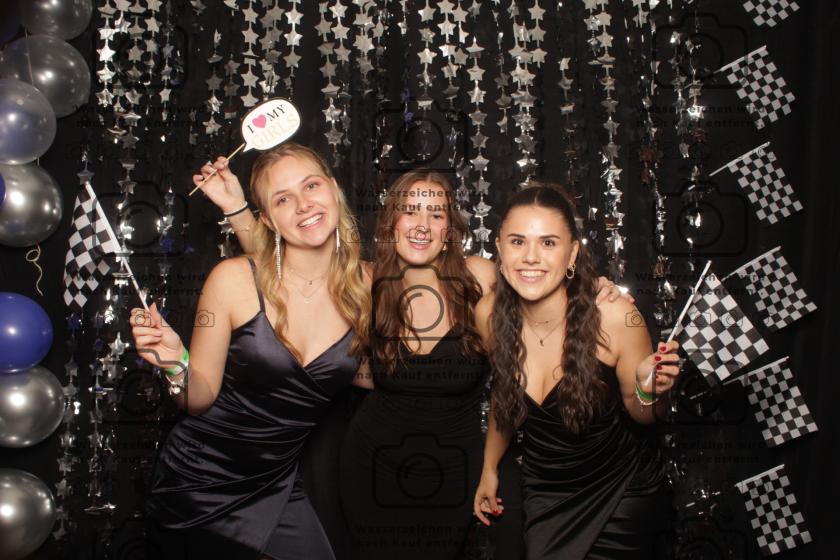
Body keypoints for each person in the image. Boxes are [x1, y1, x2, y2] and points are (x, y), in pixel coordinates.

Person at [213, 166, 629, 559]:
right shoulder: (367, 281)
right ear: (391, 223)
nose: (422, 225)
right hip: (370, 465)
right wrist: (236, 207)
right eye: (410, 210)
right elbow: (284, 272)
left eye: (436, 214)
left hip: (453, 470)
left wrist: (590, 289)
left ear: (449, 229)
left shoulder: (479, 278)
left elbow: (539, 283)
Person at [129, 142, 372, 560]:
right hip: (200, 481)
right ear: (268, 220)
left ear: (333, 189)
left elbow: (373, 373)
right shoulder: (231, 281)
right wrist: (173, 361)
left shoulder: (369, 287)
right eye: (282, 199)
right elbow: (198, 398)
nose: (303, 204)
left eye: (311, 185)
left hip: (276, 483)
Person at [473, 183, 680, 560]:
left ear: (571, 253)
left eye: (548, 243)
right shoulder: (488, 315)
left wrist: (649, 390)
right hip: (544, 494)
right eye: (517, 242)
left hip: (620, 496)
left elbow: (645, 415)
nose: (530, 257)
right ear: (500, 249)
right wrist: (489, 468)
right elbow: (505, 398)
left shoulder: (616, 315)